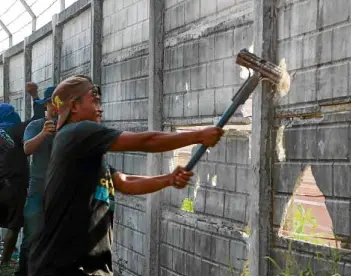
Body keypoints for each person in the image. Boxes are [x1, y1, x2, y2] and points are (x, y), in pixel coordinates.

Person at [27, 75, 224, 276]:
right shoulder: (78, 131)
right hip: (64, 267)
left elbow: (124, 182)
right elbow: (145, 141)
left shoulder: (82, 149)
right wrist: (198, 136)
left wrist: (168, 179)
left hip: (81, 266)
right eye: (94, 101)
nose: (100, 108)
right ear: (74, 106)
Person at [0, 83, 45, 268]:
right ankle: (4, 262)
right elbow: (39, 118)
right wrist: (34, 96)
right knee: (14, 224)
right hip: (15, 184)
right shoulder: (18, 129)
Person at [15, 86, 57, 276]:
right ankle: (23, 272)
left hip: (61, 189)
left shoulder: (69, 126)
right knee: (31, 237)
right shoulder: (36, 125)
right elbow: (26, 149)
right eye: (53, 102)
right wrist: (43, 134)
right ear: (47, 104)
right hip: (38, 189)